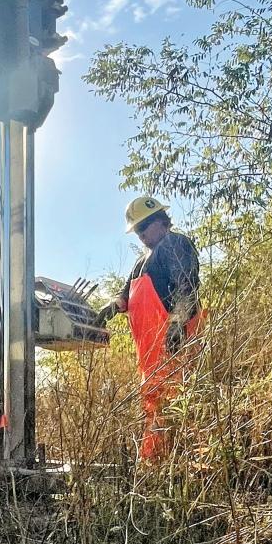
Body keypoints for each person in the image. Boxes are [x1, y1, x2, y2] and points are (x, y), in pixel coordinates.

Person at [98, 196, 203, 460]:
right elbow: (125, 297)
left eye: (145, 226)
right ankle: (157, 462)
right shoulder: (140, 262)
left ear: (162, 221)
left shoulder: (176, 244)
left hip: (175, 343)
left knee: (180, 402)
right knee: (155, 404)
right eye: (137, 230)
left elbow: (187, 286)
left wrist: (177, 324)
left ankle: (185, 463)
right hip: (150, 352)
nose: (142, 234)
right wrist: (112, 306)